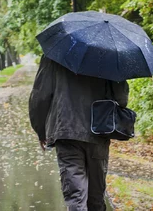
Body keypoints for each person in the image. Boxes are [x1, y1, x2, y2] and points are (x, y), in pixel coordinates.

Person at [29, 55, 129, 211]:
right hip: (98, 131)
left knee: (75, 197)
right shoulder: (108, 54)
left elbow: (40, 95)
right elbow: (121, 99)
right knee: (96, 198)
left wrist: (40, 130)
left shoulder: (55, 54)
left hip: (66, 131)